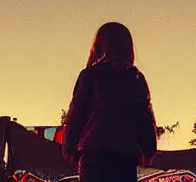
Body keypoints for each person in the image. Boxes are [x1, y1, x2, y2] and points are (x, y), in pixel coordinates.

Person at [62, 22, 157, 182]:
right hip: (124, 157)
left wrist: (69, 149)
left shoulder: (90, 75)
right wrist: (148, 150)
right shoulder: (136, 78)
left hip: (94, 157)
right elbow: (144, 117)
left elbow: (77, 115)